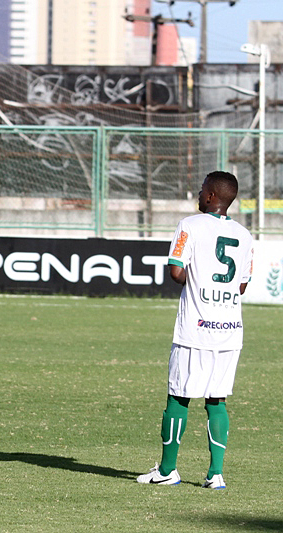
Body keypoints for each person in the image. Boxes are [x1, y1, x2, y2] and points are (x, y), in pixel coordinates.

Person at [137, 171, 253, 489]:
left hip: (196, 327)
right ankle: (216, 475)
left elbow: (176, 272)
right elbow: (241, 285)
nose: (198, 194)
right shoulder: (245, 235)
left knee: (178, 397)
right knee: (217, 400)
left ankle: (167, 470)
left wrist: (198, 279)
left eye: (202, 190)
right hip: (230, 330)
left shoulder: (190, 225)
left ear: (213, 196)